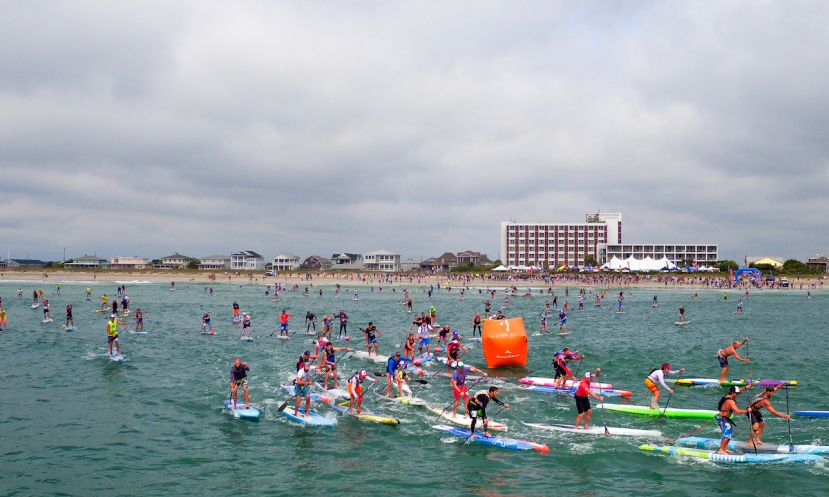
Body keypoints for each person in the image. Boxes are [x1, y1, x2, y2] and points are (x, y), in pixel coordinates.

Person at [715, 386, 750, 454]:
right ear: (732, 392)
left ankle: (724, 448)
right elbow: (737, 411)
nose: (737, 395)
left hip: (724, 418)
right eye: (736, 394)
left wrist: (745, 387)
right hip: (723, 419)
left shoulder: (727, 395)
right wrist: (747, 411)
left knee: (729, 434)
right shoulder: (730, 401)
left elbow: (739, 390)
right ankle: (721, 450)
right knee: (727, 434)